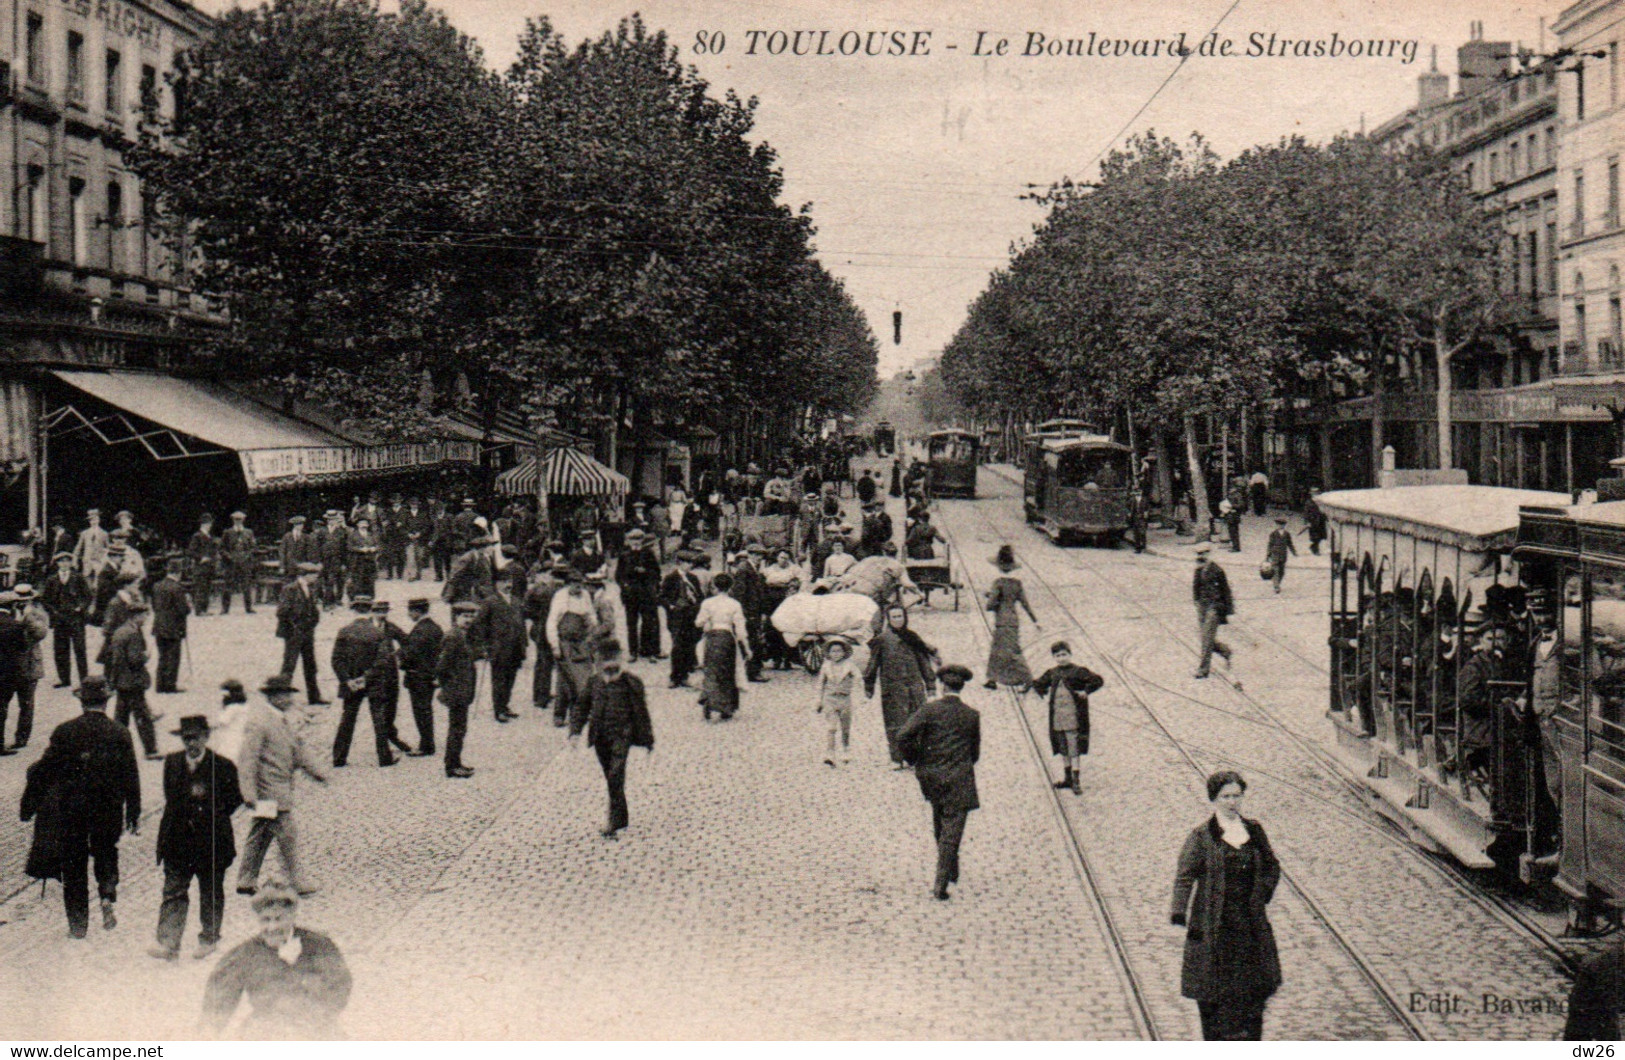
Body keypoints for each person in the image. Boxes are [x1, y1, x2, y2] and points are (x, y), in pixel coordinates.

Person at [20, 675, 141, 938]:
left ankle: (78, 925)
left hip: (72, 810)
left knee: (73, 865)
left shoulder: (65, 732)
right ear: (106, 702)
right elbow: (130, 775)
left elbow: (46, 770)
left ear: (82, 702)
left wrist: (29, 802)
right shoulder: (120, 733)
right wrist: (133, 810)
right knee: (106, 851)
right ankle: (107, 894)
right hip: (108, 809)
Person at [1170, 770, 1282, 1041]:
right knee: (1214, 994)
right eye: (1225, 797)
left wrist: (1261, 893)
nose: (1232, 802)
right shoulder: (1202, 836)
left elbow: (1272, 866)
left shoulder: (1253, 831)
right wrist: (1179, 912)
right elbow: (1185, 875)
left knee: (1252, 993)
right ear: (1214, 800)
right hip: (1214, 925)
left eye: (1237, 796)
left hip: (1249, 925)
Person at [202, 880, 353, 1039]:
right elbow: (217, 1004)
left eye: (278, 918)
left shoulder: (319, 945)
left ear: (293, 916)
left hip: (314, 1028)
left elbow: (341, 984)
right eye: (266, 920)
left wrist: (318, 1016)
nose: (272, 927)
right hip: (266, 1032)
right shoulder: (244, 954)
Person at [149, 715, 240, 961]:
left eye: (196, 738)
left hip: (211, 842)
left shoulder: (222, 766)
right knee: (173, 891)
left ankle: (209, 938)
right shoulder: (172, 762)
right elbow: (171, 796)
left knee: (210, 891)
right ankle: (169, 943)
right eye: (186, 738)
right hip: (177, 841)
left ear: (206, 736)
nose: (191, 743)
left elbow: (234, 799)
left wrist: (210, 816)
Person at [236, 674, 328, 896]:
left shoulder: (283, 721)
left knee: (261, 833)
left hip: (279, 790)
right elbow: (248, 759)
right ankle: (297, 881)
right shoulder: (259, 723)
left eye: (289, 694)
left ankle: (246, 879)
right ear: (273, 697)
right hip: (268, 792)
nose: (289, 699)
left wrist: (318, 773)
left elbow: (298, 751)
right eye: (285, 695)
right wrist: (248, 792)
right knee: (287, 834)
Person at [896, 664, 981, 901]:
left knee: (940, 821)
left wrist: (915, 759)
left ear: (943, 686)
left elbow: (903, 735)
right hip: (959, 775)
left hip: (931, 775)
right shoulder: (972, 715)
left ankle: (950, 869)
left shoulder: (928, 710)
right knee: (952, 827)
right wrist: (961, 764)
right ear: (961, 687)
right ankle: (941, 882)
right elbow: (975, 753)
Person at [569, 639, 653, 839]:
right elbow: (581, 707)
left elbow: (642, 713)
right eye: (605, 662)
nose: (609, 668)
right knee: (611, 777)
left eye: (613, 662)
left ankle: (613, 821)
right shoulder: (593, 682)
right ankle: (620, 817)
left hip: (621, 735)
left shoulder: (631, 683)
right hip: (600, 736)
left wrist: (648, 740)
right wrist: (575, 731)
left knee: (615, 775)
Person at [864, 603, 938, 768]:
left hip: (914, 686)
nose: (898, 620)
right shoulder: (882, 640)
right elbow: (872, 664)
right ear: (889, 620)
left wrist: (930, 685)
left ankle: (916, 756)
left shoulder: (913, 638)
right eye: (894, 617)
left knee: (917, 721)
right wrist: (869, 686)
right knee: (895, 722)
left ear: (905, 618)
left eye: (900, 616)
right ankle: (897, 758)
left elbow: (924, 663)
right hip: (893, 688)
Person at [330, 598, 395, 769]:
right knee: (379, 718)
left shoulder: (344, 632)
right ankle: (384, 758)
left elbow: (336, 660)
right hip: (373, 682)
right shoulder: (378, 633)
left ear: (354, 610)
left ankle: (339, 758)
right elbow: (382, 661)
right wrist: (365, 677)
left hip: (351, 682)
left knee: (347, 718)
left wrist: (347, 680)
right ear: (370, 610)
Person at [1031, 641, 1104, 794]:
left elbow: (1098, 680)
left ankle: (1076, 781)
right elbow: (1038, 683)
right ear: (1054, 657)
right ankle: (1067, 779)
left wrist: (1086, 691)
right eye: (1058, 656)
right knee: (1063, 748)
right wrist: (1042, 692)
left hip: (1074, 718)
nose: (1061, 658)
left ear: (1070, 655)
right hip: (1057, 718)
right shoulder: (1052, 672)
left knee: (1074, 749)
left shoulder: (1079, 671)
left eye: (1064, 655)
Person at [547, 566, 602, 729]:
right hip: (565, 643)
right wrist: (555, 646)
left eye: (581, 585)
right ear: (568, 584)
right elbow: (551, 623)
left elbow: (591, 614)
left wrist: (593, 626)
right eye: (576, 585)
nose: (579, 589)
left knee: (583, 678)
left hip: (582, 642)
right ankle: (560, 714)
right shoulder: (560, 597)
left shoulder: (585, 595)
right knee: (567, 679)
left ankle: (577, 713)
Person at [105, 599, 159, 760]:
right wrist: (146, 656)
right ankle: (151, 750)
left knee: (121, 718)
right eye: (144, 615)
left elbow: (114, 659)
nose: (146, 618)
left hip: (122, 682)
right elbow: (134, 659)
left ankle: (114, 751)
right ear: (136, 616)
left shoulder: (120, 631)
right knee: (143, 717)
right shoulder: (133, 633)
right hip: (133, 682)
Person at [695, 571, 750, 721]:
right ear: (730, 587)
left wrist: (708, 622)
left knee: (711, 669)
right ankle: (727, 706)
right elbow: (740, 628)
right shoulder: (734, 604)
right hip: (727, 638)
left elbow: (698, 622)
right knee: (727, 671)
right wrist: (747, 647)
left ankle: (708, 698)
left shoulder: (707, 603)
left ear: (715, 586)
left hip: (712, 637)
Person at [984, 545, 1039, 692]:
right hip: (1013, 620)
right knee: (999, 649)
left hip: (1002, 621)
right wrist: (1035, 621)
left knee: (1011, 652)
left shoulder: (998, 583)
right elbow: (1025, 603)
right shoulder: (1017, 584)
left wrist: (990, 597)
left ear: (999, 567)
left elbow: (990, 605)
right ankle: (992, 679)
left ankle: (1028, 679)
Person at [471, 575, 526, 723]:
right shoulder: (490, 601)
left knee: (511, 678)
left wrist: (524, 643)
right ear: (497, 584)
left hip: (515, 647)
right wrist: (485, 645)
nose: (508, 585)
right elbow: (480, 624)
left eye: (510, 581)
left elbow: (521, 623)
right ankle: (498, 709)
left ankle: (505, 705)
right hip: (499, 648)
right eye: (504, 582)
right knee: (499, 679)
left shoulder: (516, 600)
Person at [436, 602, 479, 779]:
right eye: (465, 616)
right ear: (456, 618)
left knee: (460, 728)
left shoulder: (463, 635)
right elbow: (442, 666)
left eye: (471, 616)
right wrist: (450, 685)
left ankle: (455, 762)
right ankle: (452, 766)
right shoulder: (454, 636)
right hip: (457, 691)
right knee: (456, 729)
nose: (468, 620)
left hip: (463, 690)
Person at [276, 562, 326, 704]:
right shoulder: (289, 589)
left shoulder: (311, 588)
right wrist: (294, 628)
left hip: (308, 632)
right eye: (314, 574)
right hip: (294, 633)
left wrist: (312, 623)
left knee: (311, 665)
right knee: (289, 666)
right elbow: (282, 612)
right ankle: (281, 697)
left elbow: (313, 609)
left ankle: (314, 697)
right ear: (305, 575)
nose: (316, 577)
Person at [41, 551, 91, 689]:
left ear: (71, 563)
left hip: (76, 619)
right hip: (59, 619)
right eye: (61, 561)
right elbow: (45, 599)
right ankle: (64, 679)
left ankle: (84, 679)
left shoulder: (78, 577)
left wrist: (80, 607)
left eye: (67, 561)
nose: (64, 564)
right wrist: (53, 612)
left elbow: (88, 596)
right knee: (61, 650)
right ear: (57, 563)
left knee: (80, 649)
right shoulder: (51, 580)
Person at [400, 598, 441, 756]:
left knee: (421, 711)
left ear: (416, 611)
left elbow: (411, 654)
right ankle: (427, 742)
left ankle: (426, 745)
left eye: (410, 611)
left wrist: (401, 662)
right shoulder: (435, 628)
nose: (409, 615)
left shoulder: (420, 630)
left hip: (418, 677)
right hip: (430, 676)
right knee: (426, 710)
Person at [7, 586, 46, 752]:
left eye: (25, 599)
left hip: (30, 663)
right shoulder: (11, 613)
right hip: (12, 664)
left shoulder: (37, 613)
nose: (22, 602)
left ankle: (21, 737)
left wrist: (26, 621)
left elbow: (40, 633)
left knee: (26, 703)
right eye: (19, 599)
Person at [661, 550, 705, 689]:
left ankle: (684, 676)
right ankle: (674, 677)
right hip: (677, 616)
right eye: (687, 563)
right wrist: (671, 606)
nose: (690, 565)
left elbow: (700, 595)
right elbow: (662, 596)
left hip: (691, 614)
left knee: (688, 645)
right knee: (677, 646)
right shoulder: (670, 578)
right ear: (679, 563)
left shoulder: (693, 578)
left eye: (691, 563)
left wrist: (698, 607)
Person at [618, 530, 663, 663]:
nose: (636, 542)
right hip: (630, 594)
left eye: (638, 539)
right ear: (629, 541)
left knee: (649, 622)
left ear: (642, 541)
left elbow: (657, 573)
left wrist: (647, 573)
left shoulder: (648, 554)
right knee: (631, 624)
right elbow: (618, 575)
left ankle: (650, 651)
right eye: (633, 540)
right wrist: (624, 585)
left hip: (646, 594)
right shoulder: (624, 555)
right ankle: (633, 652)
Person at [1193, 545, 1235, 679]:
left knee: (1207, 638)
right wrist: (1196, 601)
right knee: (1205, 638)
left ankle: (1203, 669)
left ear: (1208, 554)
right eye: (1199, 554)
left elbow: (1226, 590)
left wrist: (1227, 610)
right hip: (1202, 607)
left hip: (1214, 607)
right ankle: (1224, 650)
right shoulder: (1198, 570)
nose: (1201, 556)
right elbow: (1196, 587)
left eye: (1203, 554)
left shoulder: (1217, 571)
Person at [816, 636, 858, 766]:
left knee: (845, 727)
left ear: (844, 652)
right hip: (830, 699)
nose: (836, 654)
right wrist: (819, 700)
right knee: (831, 727)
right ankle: (830, 753)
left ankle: (846, 748)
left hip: (845, 699)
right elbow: (820, 684)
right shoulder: (826, 666)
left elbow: (858, 678)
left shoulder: (849, 665)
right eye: (833, 651)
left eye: (839, 651)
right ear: (828, 653)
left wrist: (857, 692)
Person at [152, 558, 191, 694]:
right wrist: (188, 605)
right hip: (173, 627)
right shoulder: (178, 588)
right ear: (179, 572)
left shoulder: (157, 585)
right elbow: (183, 610)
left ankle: (160, 684)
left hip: (158, 625)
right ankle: (170, 685)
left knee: (162, 656)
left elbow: (154, 606)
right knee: (173, 657)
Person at [220, 512, 258, 615]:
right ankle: (225, 608)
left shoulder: (248, 532)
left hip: (244, 562)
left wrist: (247, 556)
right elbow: (222, 548)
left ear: (243, 520)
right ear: (233, 520)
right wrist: (229, 557)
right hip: (231, 563)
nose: (238, 522)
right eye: (236, 520)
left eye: (240, 519)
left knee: (246, 585)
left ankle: (248, 608)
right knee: (228, 585)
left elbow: (253, 547)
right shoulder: (227, 532)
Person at [187, 514, 219, 615]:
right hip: (200, 566)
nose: (209, 525)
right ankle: (199, 610)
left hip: (209, 566)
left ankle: (204, 609)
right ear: (203, 524)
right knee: (200, 588)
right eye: (208, 523)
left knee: (207, 588)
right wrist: (201, 558)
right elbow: (191, 551)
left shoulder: (210, 536)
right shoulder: (197, 536)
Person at [1264, 517, 1297, 595]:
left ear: (1284, 525)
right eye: (1278, 524)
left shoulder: (1287, 534)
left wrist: (1294, 552)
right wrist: (1268, 554)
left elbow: (1290, 544)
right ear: (1276, 525)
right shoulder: (1273, 534)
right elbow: (1270, 544)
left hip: (1283, 555)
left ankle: (1277, 583)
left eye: (1282, 525)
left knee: (1282, 572)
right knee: (1275, 570)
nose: (1280, 526)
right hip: (1275, 554)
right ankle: (1276, 586)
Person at [1303, 488, 1328, 556]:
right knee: (1315, 537)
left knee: (1322, 536)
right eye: (1314, 493)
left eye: (1317, 493)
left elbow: (1324, 510)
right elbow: (1306, 513)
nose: (1315, 495)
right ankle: (1315, 549)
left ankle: (1313, 547)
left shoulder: (1321, 502)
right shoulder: (1308, 502)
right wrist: (1306, 522)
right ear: (1311, 494)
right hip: (1313, 521)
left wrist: (1326, 518)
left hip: (1321, 521)